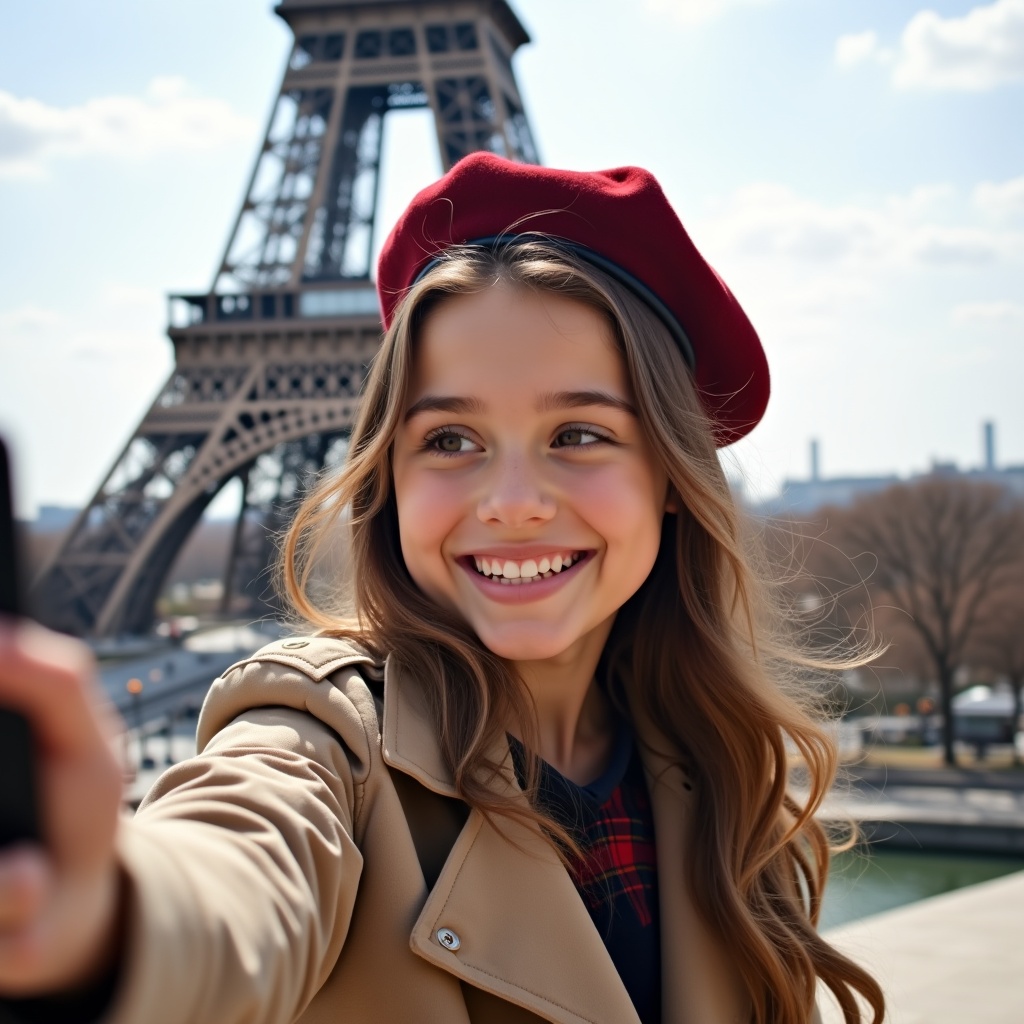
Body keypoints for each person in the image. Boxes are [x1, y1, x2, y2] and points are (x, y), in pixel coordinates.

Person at [0, 153, 884, 1024]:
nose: (510, 505)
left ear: (670, 476)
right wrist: (106, 922)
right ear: (390, 475)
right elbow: (240, 870)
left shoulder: (712, 773)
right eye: (450, 441)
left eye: (578, 434)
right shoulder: (326, 740)